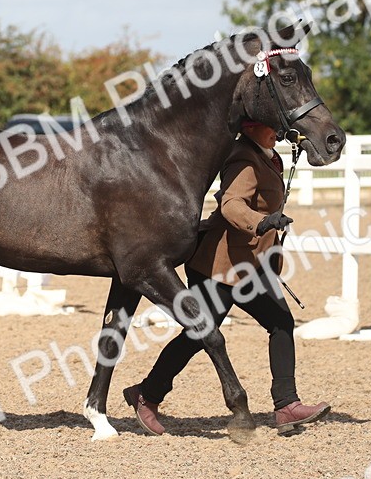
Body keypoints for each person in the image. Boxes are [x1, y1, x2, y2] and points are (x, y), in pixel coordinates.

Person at [122, 120, 330, 436]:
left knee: (280, 323)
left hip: (250, 266)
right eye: (270, 125)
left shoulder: (268, 154)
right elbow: (232, 205)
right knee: (199, 334)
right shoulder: (244, 157)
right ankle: (146, 395)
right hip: (218, 266)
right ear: (249, 127)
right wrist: (262, 222)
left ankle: (287, 405)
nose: (278, 129)